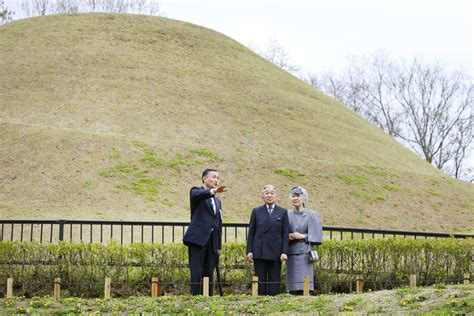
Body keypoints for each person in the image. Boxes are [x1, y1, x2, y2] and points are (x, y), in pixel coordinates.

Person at [183, 168, 228, 295]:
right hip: (197, 239)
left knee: (209, 271)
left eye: (218, 178)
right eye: (213, 177)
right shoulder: (196, 191)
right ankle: (195, 298)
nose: (216, 180)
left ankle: (208, 297)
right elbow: (197, 195)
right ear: (204, 178)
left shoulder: (217, 201)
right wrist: (212, 191)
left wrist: (218, 244)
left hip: (212, 241)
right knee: (196, 271)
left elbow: (218, 222)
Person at [246, 185, 289, 296]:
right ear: (262, 196)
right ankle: (260, 302)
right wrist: (249, 251)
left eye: (272, 193)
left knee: (275, 280)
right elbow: (251, 233)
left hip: (276, 251)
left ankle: (273, 303)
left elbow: (285, 234)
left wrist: (284, 252)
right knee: (260, 280)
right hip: (259, 250)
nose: (269, 195)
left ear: (276, 196)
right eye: (266, 193)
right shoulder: (256, 211)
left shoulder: (283, 212)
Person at [286, 186, 323, 294]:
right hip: (291, 252)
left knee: (304, 285)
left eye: (298, 196)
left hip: (306, 254)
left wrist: (302, 236)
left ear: (304, 198)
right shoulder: (286, 214)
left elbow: (317, 236)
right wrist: (287, 236)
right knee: (292, 286)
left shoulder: (312, 215)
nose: (295, 198)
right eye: (293, 196)